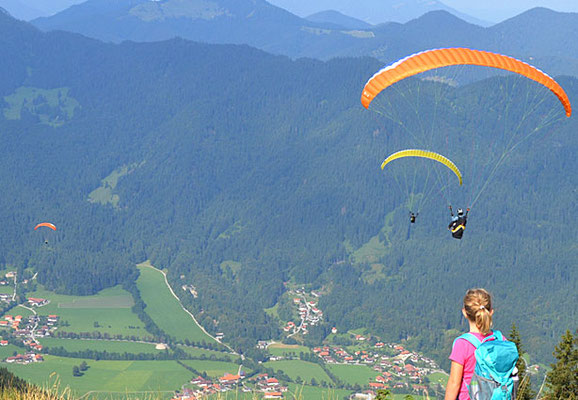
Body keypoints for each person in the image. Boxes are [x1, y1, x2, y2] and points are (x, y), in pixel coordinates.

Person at [445, 288, 502, 400]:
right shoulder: (499, 338)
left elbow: (454, 383)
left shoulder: (462, 344)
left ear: (465, 313)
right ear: (491, 312)